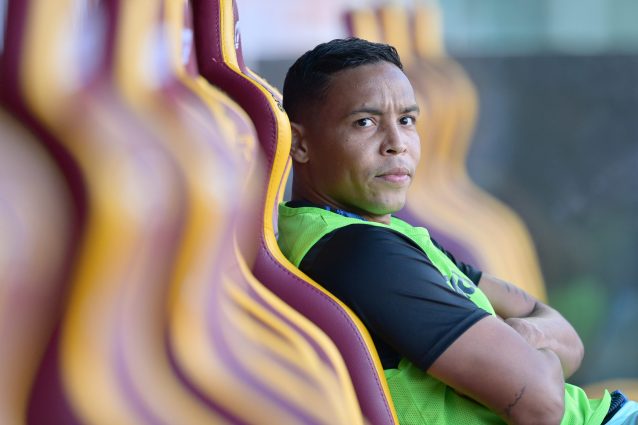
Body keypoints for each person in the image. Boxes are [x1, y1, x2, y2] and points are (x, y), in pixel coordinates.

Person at [277, 38, 638, 424]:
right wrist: (526, 350)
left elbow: (570, 342)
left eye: (407, 120)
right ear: (300, 144)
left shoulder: (386, 236)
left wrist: (523, 338)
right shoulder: (363, 254)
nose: (397, 144)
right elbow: (543, 404)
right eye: (365, 122)